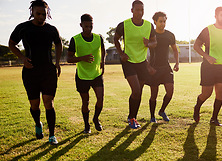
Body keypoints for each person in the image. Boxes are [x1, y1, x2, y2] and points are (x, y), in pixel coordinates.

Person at [8, 0, 62, 145]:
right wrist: (22, 58)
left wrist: (56, 63)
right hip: (30, 72)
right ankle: (38, 124)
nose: (41, 17)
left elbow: (58, 43)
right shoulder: (23, 28)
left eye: (44, 14)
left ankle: (52, 135)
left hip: (48, 71)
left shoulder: (51, 29)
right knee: (34, 104)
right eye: (38, 14)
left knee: (48, 102)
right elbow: (11, 43)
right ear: (32, 12)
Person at [114, 0, 157, 129]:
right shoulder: (124, 25)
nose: (140, 12)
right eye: (137, 10)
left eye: (142, 10)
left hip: (142, 62)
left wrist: (148, 44)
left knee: (138, 92)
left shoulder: (149, 26)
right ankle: (132, 119)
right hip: (128, 61)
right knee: (136, 90)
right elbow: (115, 39)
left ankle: (132, 116)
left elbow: (155, 43)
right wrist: (121, 53)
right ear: (132, 10)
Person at [193, 6, 222, 126]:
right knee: (206, 93)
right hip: (208, 67)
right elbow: (196, 46)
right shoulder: (207, 30)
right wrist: (207, 57)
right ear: (216, 16)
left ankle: (214, 118)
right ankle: (197, 107)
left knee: (220, 93)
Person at [67, 14, 105, 133]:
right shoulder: (75, 39)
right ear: (81, 25)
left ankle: (96, 119)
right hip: (82, 75)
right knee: (85, 101)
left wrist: (102, 62)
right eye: (86, 26)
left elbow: (103, 50)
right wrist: (82, 58)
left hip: (97, 74)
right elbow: (69, 59)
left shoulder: (99, 38)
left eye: (91, 26)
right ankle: (86, 125)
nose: (89, 29)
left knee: (100, 98)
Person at [146, 11, 179, 123]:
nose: (163, 24)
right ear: (155, 22)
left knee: (170, 91)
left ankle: (162, 111)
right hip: (154, 68)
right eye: (160, 21)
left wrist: (177, 63)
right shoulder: (150, 34)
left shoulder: (170, 35)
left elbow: (175, 50)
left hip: (166, 67)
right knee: (154, 94)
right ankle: (152, 117)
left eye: (164, 21)